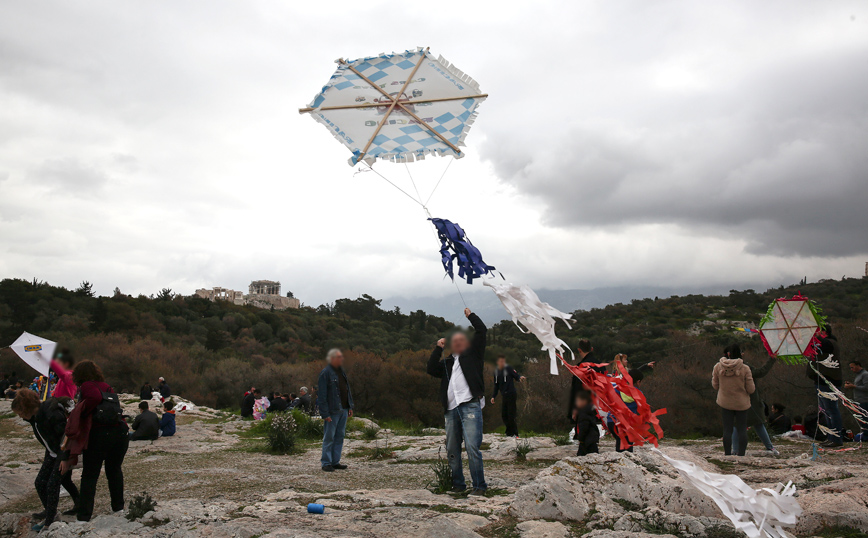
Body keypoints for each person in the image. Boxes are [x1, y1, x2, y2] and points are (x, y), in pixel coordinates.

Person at [427, 308, 488, 495]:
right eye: (455, 341)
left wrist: (471, 315)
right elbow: (430, 369)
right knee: (452, 449)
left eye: (462, 340)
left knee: (472, 447)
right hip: (451, 409)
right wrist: (438, 348)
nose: (458, 343)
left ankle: (479, 486)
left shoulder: (473, 355)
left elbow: (482, 330)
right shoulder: (447, 363)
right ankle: (458, 485)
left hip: (470, 405)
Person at [60, 360, 129, 522]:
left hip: (100, 434)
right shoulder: (106, 386)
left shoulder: (87, 386)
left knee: (90, 475)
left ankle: (84, 516)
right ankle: (118, 508)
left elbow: (94, 397)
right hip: (119, 432)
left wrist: (82, 412)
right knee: (114, 471)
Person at [11, 389, 80, 531]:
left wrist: (65, 459)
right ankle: (53, 510)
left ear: (26, 408)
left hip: (62, 454)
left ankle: (50, 519)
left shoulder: (51, 413)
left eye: (20, 412)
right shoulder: (34, 417)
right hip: (52, 452)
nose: (20, 416)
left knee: (52, 485)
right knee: (42, 482)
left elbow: (65, 437)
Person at [728, 345, 779, 456]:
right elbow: (761, 372)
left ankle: (735, 450)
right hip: (750, 400)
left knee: (736, 424)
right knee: (758, 423)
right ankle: (770, 447)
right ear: (740, 354)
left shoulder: (724, 367)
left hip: (733, 399)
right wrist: (772, 359)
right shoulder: (745, 367)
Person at [712, 348, 755, 456]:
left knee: (727, 429)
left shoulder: (718, 366)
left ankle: (727, 453)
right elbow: (751, 389)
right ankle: (741, 454)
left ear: (729, 354)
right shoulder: (745, 368)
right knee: (742, 429)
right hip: (741, 403)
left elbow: (715, 385)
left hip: (725, 401)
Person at [317, 348, 354, 472]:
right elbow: (321, 395)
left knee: (339, 436)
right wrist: (325, 413)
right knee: (329, 437)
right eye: (339, 357)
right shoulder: (325, 373)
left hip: (343, 409)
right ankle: (326, 462)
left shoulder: (341, 372)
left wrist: (349, 406)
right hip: (332, 411)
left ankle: (335, 461)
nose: (342, 359)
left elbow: (346, 389)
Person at [807, 327, 843, 447]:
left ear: (824, 333)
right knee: (826, 411)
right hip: (822, 379)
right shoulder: (825, 343)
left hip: (828, 380)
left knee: (832, 410)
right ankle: (830, 436)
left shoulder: (829, 343)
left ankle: (836, 438)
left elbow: (821, 344)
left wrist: (813, 335)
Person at [606, 369, 645, 453]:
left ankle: (619, 461)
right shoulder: (638, 393)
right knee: (627, 448)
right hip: (626, 424)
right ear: (638, 382)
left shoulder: (616, 388)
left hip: (612, 422)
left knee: (620, 444)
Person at [568, 340, 606, 421]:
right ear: (591, 349)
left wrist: (575, 408)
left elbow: (577, 388)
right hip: (599, 404)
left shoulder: (579, 367)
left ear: (579, 350)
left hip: (584, 406)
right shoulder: (600, 365)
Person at [490, 355, 526, 438]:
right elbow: (496, 385)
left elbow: (516, 375)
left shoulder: (508, 368)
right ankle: (509, 432)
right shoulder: (496, 372)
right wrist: (493, 396)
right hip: (504, 395)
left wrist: (520, 377)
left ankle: (515, 433)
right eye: (500, 361)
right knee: (504, 415)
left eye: (503, 361)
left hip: (511, 394)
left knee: (511, 414)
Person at [845, 360, 868, 438]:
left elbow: (866, 387)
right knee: (861, 419)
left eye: (852, 367)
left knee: (865, 419)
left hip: (864, 400)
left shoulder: (864, 374)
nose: (852, 369)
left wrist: (854, 386)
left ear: (858, 365)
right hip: (859, 400)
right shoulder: (858, 375)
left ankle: (866, 435)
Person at [573, 390, 599, 456]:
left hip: (587, 440)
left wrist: (580, 438)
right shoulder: (588, 411)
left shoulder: (583, 413)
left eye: (578, 401)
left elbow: (584, 427)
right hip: (590, 439)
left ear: (584, 401)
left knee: (583, 456)